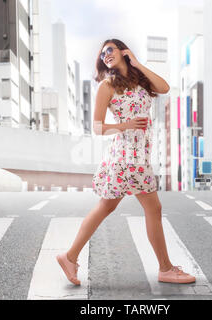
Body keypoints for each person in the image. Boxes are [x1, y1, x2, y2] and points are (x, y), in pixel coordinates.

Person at [56, 39, 196, 286]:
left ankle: (70, 257)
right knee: (152, 208)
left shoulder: (140, 81)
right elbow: (98, 127)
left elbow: (163, 87)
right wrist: (125, 125)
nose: (105, 55)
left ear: (123, 51)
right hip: (126, 156)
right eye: (102, 53)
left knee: (107, 207)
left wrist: (137, 63)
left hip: (138, 154)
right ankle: (165, 268)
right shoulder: (107, 85)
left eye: (110, 49)